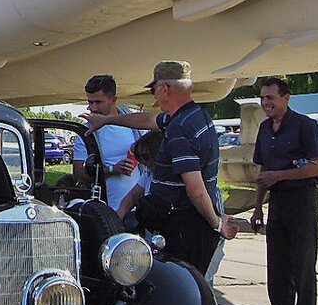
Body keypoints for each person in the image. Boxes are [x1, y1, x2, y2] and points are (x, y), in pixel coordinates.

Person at [82, 60, 237, 274]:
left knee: (181, 290)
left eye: (155, 89)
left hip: (185, 229)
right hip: (185, 225)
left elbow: (195, 188)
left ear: (165, 89)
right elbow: (147, 119)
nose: (154, 96)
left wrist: (217, 225)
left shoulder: (181, 129)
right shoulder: (191, 117)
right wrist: (106, 120)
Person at [249, 78, 318, 305]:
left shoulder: (304, 126)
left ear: (286, 98)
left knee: (303, 271)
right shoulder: (265, 129)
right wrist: (258, 207)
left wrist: (279, 176)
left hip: (301, 201)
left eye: (271, 98)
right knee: (278, 272)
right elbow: (263, 171)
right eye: (263, 98)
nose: (266, 103)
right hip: (278, 203)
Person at [71, 75, 145, 210]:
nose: (92, 108)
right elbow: (79, 175)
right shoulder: (86, 131)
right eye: (90, 102)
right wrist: (112, 170)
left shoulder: (135, 124)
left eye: (98, 102)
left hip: (138, 210)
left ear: (113, 100)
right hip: (105, 211)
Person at [114, 130, 163, 228]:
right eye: (139, 157)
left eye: (146, 156)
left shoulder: (174, 175)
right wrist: (118, 218)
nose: (143, 161)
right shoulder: (148, 174)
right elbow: (133, 196)